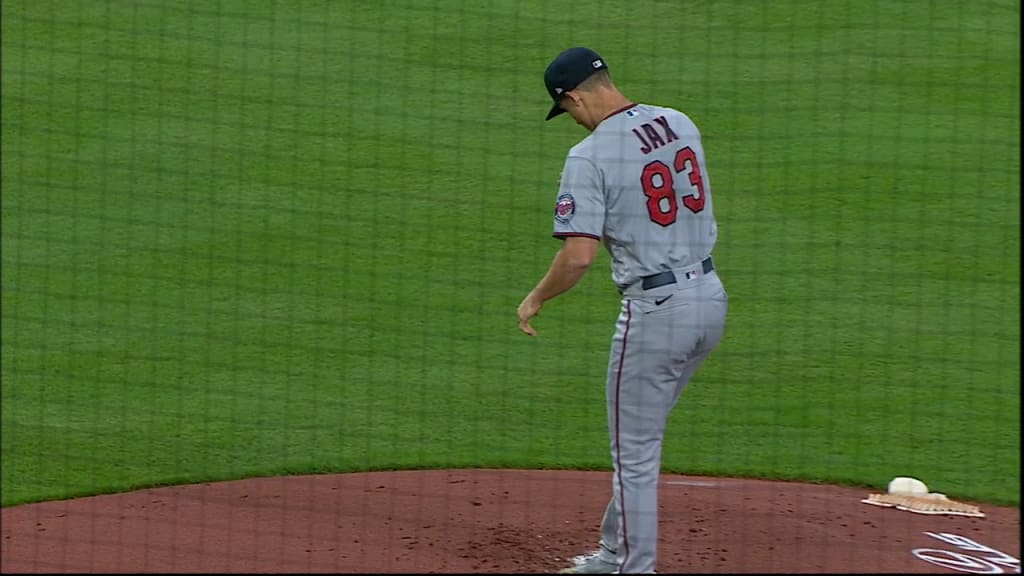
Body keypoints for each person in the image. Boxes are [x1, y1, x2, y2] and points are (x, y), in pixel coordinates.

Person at [516, 47, 729, 574]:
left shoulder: (588, 156)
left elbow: (579, 255)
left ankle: (632, 568)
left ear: (572, 96)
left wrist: (537, 296)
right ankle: (614, 554)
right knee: (641, 439)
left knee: (633, 455)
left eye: (566, 110)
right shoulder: (679, 121)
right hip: (710, 300)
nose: (572, 119)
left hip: (656, 312)